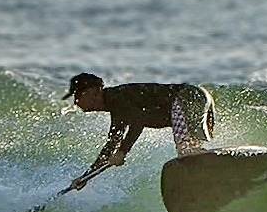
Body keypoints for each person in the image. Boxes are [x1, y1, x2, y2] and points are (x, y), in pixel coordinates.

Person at [63, 73, 215, 189]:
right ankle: (214, 176)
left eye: (78, 95)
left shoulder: (117, 98)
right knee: (195, 150)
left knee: (187, 151)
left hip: (187, 97)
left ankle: (204, 180)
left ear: (94, 92)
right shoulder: (117, 107)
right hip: (198, 96)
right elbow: (110, 146)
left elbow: (138, 122)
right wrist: (86, 177)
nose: (76, 102)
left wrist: (122, 151)